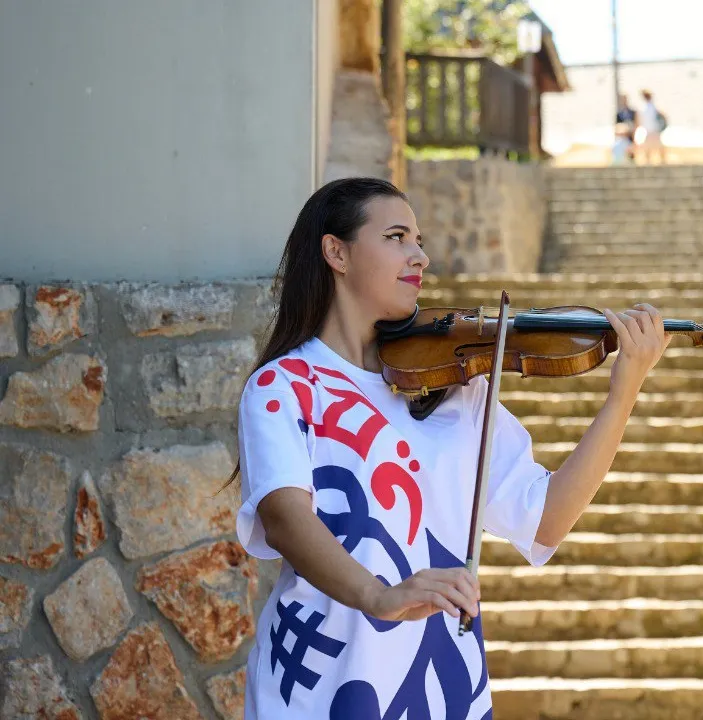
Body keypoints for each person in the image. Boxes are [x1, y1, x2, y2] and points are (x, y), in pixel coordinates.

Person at [230, 177, 670, 718]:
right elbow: (285, 520)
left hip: (439, 689)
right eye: (396, 237)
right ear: (336, 252)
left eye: (419, 239)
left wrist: (624, 389)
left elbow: (547, 518)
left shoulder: (456, 390)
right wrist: (381, 597)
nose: (420, 256)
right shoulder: (285, 386)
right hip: (316, 687)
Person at [636, 89, 666, 165]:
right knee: (657, 147)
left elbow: (639, 121)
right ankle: (661, 162)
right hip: (653, 130)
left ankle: (649, 162)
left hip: (648, 130)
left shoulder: (643, 108)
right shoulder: (653, 107)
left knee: (649, 148)